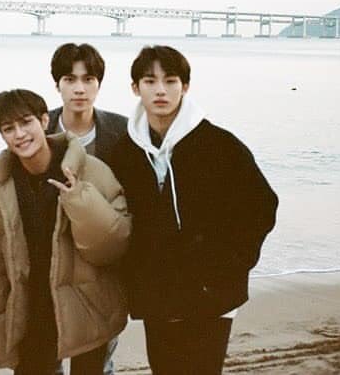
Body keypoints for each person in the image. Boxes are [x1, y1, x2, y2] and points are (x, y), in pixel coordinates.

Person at [110, 46, 278, 375]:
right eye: (150, 81)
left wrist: (229, 266)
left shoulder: (219, 144)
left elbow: (261, 206)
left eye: (170, 81)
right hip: (158, 294)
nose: (160, 90)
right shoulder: (126, 152)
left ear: (185, 87)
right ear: (135, 88)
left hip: (211, 294)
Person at [0, 89, 131, 375]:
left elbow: (115, 243)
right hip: (32, 309)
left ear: (45, 120)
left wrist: (80, 200)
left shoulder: (90, 170)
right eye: (9, 128)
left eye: (26, 122)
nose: (20, 134)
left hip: (89, 304)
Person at [46, 42, 127, 375]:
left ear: (98, 84)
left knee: (96, 363)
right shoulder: (38, 129)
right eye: (70, 79)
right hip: (49, 265)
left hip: (101, 268)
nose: (79, 89)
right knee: (44, 359)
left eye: (88, 79)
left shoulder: (122, 132)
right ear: (58, 84)